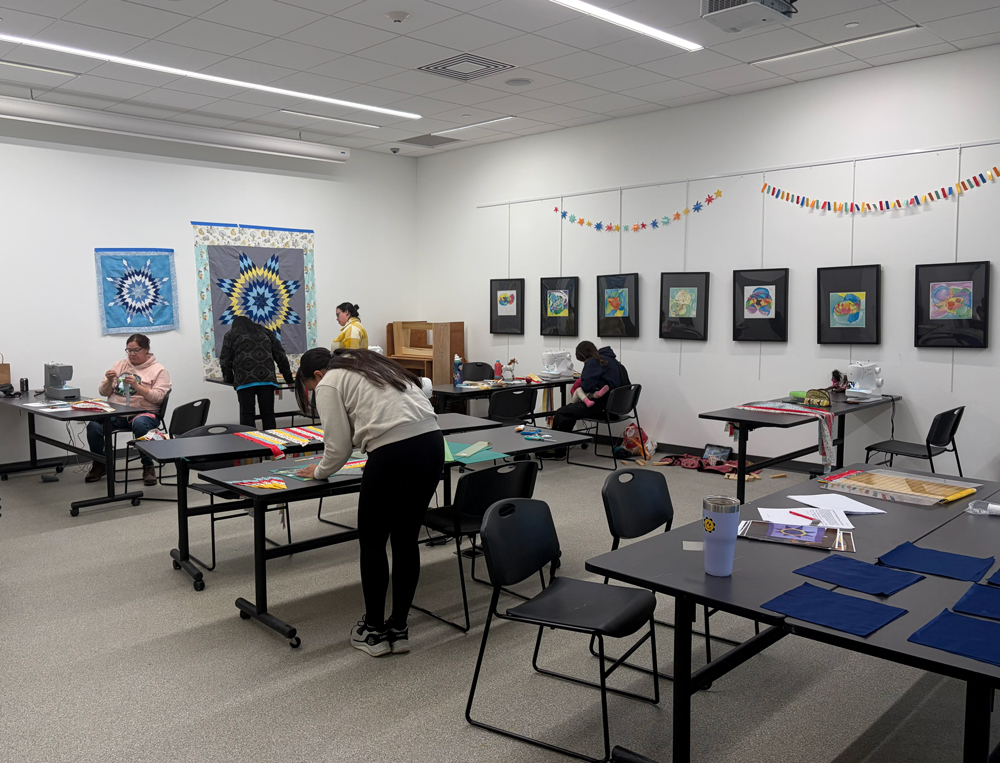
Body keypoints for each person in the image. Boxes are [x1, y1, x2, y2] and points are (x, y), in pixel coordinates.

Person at [295, 348, 443, 657]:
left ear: (317, 376)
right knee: (405, 540)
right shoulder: (374, 365)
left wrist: (319, 471)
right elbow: (424, 388)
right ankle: (399, 630)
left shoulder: (329, 382)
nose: (313, 393)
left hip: (393, 454)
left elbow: (336, 447)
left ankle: (374, 632)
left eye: (310, 388)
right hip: (431, 444)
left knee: (374, 542)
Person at [86, 333, 172, 486]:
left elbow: (158, 397)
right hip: (116, 413)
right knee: (94, 426)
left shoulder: (159, 370)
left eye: (136, 350)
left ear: (146, 350)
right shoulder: (120, 365)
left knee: (140, 424)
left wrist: (137, 387)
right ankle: (100, 463)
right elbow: (103, 392)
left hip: (145, 413)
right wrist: (109, 380)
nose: (132, 354)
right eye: (128, 351)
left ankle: (148, 466)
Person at [543, 342, 623, 457]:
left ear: (583, 358)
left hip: (603, 408)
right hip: (616, 407)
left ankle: (557, 451)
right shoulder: (613, 361)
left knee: (562, 412)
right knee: (569, 411)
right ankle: (560, 449)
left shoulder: (593, 362)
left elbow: (586, 387)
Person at [219, 315, 294, 430]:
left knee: (247, 415)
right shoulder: (266, 332)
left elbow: (225, 360)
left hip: (244, 380)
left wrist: (229, 379)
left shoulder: (231, 335)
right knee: (268, 414)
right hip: (267, 380)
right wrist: (288, 378)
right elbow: (280, 356)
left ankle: (250, 445)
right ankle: (272, 444)